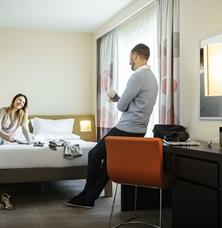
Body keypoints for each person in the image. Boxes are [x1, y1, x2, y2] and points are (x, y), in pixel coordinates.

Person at [66, 43, 158, 208]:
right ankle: (89, 197)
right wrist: (122, 100)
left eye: (131, 58)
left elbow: (122, 106)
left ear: (136, 56)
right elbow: (139, 105)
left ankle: (86, 195)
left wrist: (117, 99)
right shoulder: (152, 78)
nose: (130, 61)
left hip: (126, 128)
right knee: (109, 161)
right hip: (140, 131)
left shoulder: (137, 76)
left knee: (94, 154)